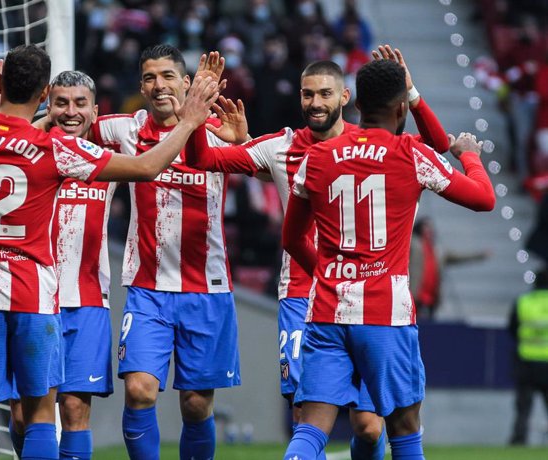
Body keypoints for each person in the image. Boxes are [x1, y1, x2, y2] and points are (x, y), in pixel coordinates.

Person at [0, 44, 220, 460]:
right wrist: (191, 120)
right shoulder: (55, 149)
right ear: (45, 95)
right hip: (35, 297)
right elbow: (146, 167)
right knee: (37, 417)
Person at [186, 45, 450, 459]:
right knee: (306, 416)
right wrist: (196, 111)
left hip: (367, 300)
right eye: (307, 94)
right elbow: (203, 159)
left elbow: (440, 144)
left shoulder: (379, 146)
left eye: (325, 94)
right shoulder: (280, 147)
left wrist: (410, 92)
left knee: (367, 425)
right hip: (302, 298)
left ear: (345, 98)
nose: (315, 103)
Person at [281, 59, 495, 460]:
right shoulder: (410, 154)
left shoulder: (318, 156)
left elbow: (291, 237)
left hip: (327, 311)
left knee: (310, 430)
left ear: (356, 104)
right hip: (386, 316)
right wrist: (470, 156)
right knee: (404, 430)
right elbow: (483, 199)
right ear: (401, 109)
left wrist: (329, 275)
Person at [87, 45, 237, 460]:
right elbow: (72, 125)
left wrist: (243, 138)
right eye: (150, 77)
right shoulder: (123, 129)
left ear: (187, 83)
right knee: (138, 391)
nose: (159, 85)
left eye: (169, 76)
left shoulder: (220, 131)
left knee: (195, 404)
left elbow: (263, 161)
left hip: (206, 288)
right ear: (141, 86)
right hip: (146, 287)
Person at [6, 70, 117, 460]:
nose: (71, 111)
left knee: (73, 409)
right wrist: (40, 123)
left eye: (80, 103)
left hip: (87, 300)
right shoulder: (30, 150)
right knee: (24, 414)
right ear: (47, 106)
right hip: (31, 297)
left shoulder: (107, 157)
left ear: (95, 111)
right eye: (61, 102)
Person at [508, 269, 548, 445]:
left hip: (526, 360)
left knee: (523, 407)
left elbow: (512, 328)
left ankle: (519, 440)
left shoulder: (523, 301)